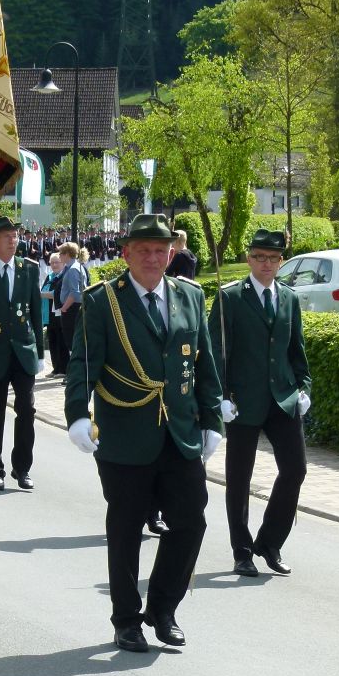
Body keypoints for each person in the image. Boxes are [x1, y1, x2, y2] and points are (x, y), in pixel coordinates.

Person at [65, 213, 223, 652]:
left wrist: (213, 420)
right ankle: (126, 619)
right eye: (144, 250)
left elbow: (205, 363)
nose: (153, 258)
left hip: (180, 432)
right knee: (126, 530)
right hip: (125, 433)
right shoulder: (103, 301)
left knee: (190, 522)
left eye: (161, 250)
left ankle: (163, 608)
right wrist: (77, 414)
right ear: (126, 253)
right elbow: (82, 363)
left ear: (171, 254)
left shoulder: (190, 295)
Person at [208, 228, 311, 577]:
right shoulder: (230, 297)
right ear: (249, 259)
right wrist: (220, 396)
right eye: (260, 257)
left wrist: (304, 388)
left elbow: (296, 350)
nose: (266, 264)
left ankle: (269, 543)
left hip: (283, 398)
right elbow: (216, 352)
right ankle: (242, 550)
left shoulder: (289, 298)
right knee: (239, 478)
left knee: (295, 470)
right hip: (242, 400)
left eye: (273, 258)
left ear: (281, 262)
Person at [0, 216, 45, 491]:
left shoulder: (28, 269)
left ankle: (22, 467)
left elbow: (35, 310)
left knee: (26, 409)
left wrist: (40, 352)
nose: (13, 241)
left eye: (15, 236)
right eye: (7, 236)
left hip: (23, 350)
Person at [57, 241, 87, 367]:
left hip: (72, 309)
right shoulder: (71, 267)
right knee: (72, 341)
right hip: (72, 308)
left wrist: (64, 308)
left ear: (67, 254)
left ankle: (75, 369)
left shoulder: (73, 269)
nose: (59, 255)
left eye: (61, 253)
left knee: (72, 341)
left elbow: (75, 292)